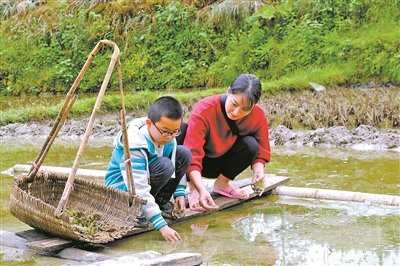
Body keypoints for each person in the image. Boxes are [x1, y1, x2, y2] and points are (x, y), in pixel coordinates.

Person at [176, 74, 271, 211]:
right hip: (199, 163)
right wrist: (200, 190)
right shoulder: (204, 109)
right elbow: (193, 154)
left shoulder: (258, 115)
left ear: (254, 105)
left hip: (223, 163)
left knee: (251, 144)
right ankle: (193, 189)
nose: (237, 112)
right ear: (228, 91)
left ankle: (222, 183)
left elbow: (262, 149)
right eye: (234, 104)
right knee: (181, 131)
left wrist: (258, 173)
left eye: (245, 109)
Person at [104, 96, 192, 242]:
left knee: (184, 153)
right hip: (124, 190)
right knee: (165, 165)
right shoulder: (134, 144)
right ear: (149, 123)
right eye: (165, 132)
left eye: (175, 132)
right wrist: (161, 225)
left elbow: (176, 162)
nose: (170, 137)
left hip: (150, 181)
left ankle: (160, 204)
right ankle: (136, 211)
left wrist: (180, 192)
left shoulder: (168, 137)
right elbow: (138, 187)